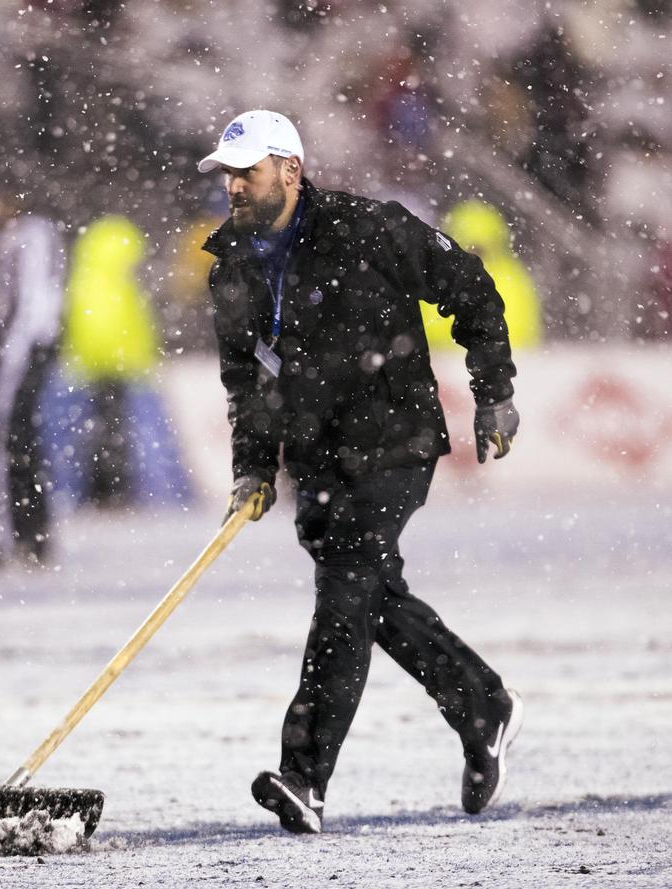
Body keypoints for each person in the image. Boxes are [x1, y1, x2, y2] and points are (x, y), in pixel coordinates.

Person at [198, 110, 524, 834]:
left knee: (345, 593)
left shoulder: (367, 227)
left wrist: (494, 389)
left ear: (290, 169)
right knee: (371, 596)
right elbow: (243, 384)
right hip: (315, 461)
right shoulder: (232, 270)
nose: (234, 187)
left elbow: (470, 289)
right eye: (228, 174)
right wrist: (253, 468)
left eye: (246, 171)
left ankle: (304, 777)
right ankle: (482, 702)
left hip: (393, 443)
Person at [0, 201, 67, 566]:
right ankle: (23, 533)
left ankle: (28, 534)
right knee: (15, 441)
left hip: (26, 347)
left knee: (16, 440)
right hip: (23, 345)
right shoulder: (18, 236)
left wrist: (17, 350)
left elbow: (31, 300)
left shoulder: (31, 235)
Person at [62, 215, 158, 507]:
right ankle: (108, 489)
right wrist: (132, 360)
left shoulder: (91, 279)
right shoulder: (110, 285)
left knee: (104, 429)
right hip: (108, 368)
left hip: (100, 367)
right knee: (111, 431)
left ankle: (103, 489)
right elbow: (117, 328)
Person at [421, 199, 542, 351]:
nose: (475, 254)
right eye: (470, 246)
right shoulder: (515, 280)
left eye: (479, 247)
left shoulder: (513, 281)